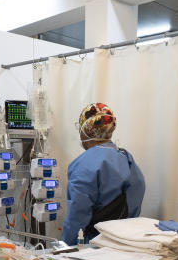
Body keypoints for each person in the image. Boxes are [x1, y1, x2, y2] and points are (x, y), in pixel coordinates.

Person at [61, 102, 146, 245]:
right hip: (127, 244)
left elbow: (77, 217)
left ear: (85, 130)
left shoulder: (84, 165)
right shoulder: (127, 159)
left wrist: (63, 248)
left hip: (95, 247)